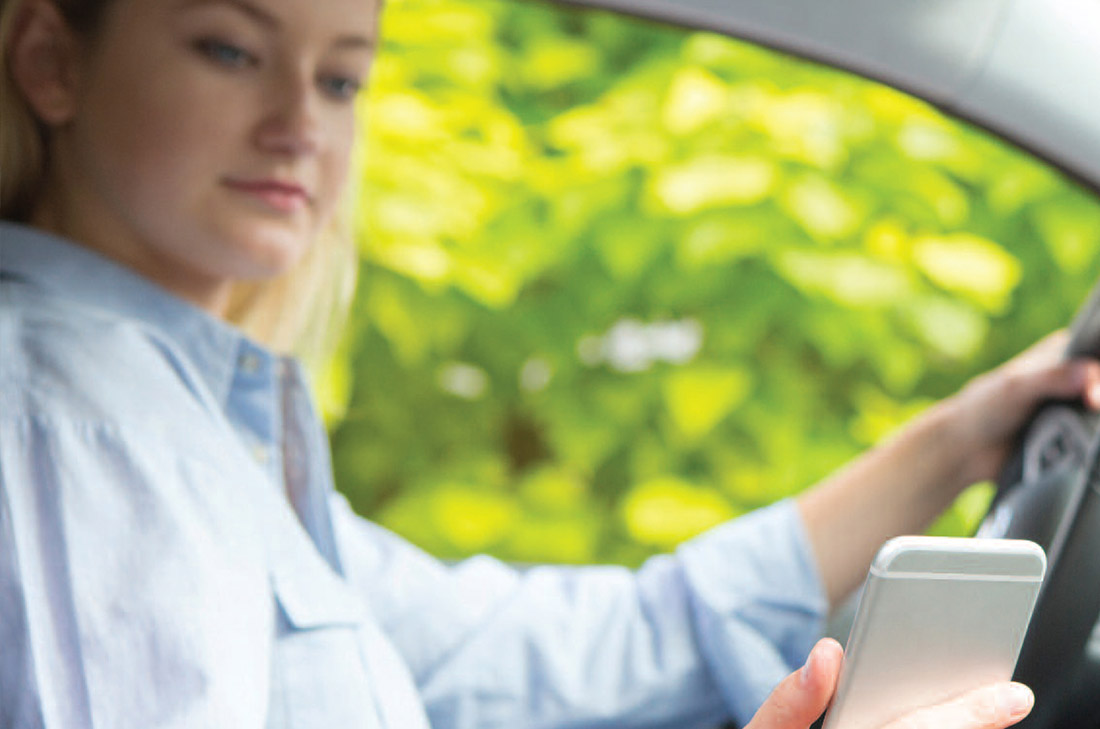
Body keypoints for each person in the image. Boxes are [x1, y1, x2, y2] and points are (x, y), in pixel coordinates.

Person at [1, 0, 1098, 727]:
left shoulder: (206, 439)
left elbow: (589, 647)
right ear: (51, 62)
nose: (299, 125)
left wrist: (960, 435)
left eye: (341, 81)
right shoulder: (72, 421)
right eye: (231, 50)